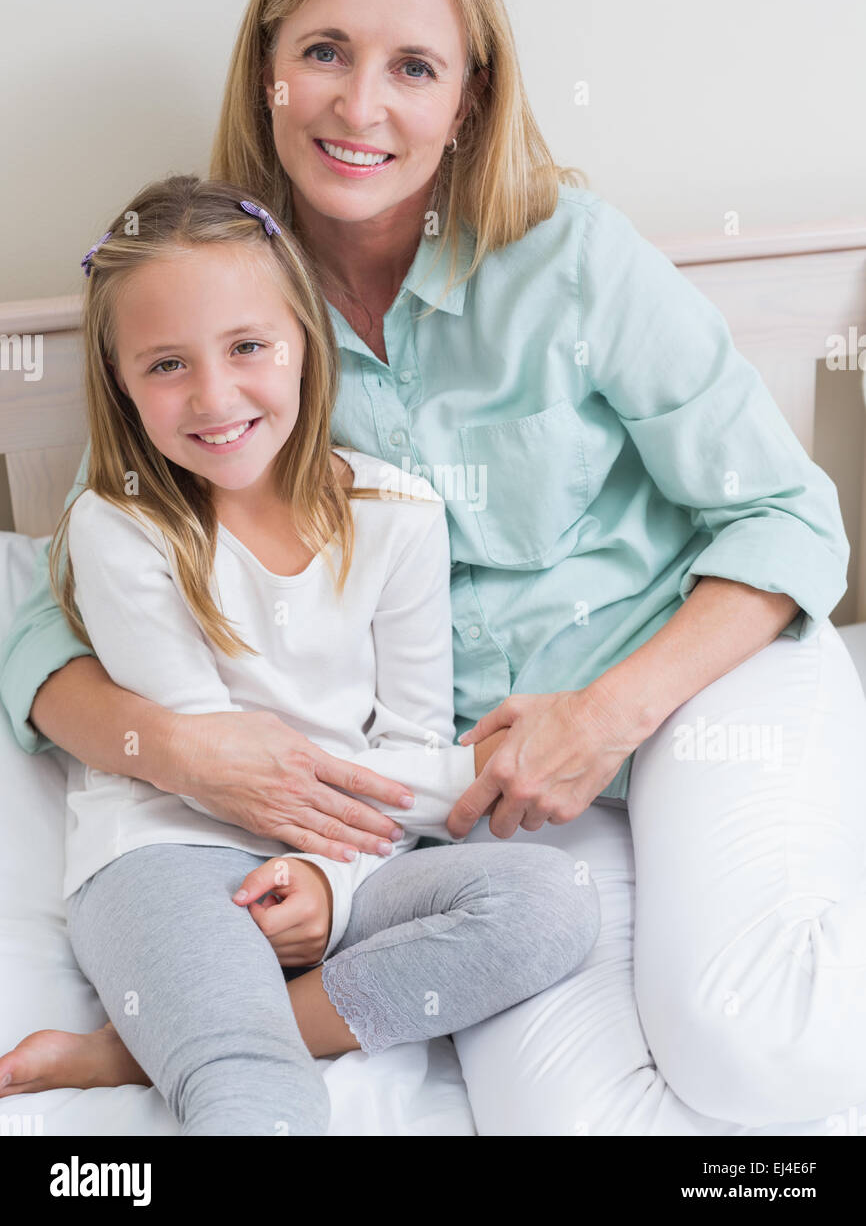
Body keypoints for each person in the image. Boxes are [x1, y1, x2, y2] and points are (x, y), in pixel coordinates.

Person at [2, 0, 865, 1133]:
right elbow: (44, 624)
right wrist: (187, 753)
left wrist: (603, 716)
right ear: (267, 76)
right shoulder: (215, 303)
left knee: (752, 1042)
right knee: (558, 1121)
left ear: (467, 100)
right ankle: (192, 1040)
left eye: (413, 66)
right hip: (471, 792)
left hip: (691, 685)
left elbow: (789, 517)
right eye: (323, 54)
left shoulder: (570, 255)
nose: (362, 106)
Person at [0, 173, 600, 1134]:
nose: (215, 395)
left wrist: (335, 883)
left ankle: (144, 1042)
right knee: (259, 1094)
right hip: (175, 847)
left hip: (345, 846)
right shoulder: (117, 527)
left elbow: (407, 736)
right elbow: (213, 761)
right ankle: (215, 1032)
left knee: (554, 903)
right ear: (119, 379)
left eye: (247, 347)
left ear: (305, 344)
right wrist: (376, 825)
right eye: (166, 365)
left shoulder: (397, 514)